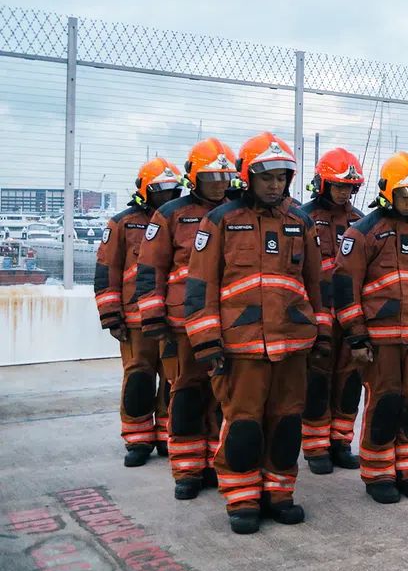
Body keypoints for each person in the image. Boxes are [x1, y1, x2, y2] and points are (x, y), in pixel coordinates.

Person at [185, 133, 329, 534]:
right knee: (244, 422)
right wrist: (206, 341)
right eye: (266, 176)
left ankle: (279, 493)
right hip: (240, 346)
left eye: (282, 177)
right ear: (247, 177)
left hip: (293, 344)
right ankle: (242, 497)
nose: (274, 185)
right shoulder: (220, 221)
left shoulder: (300, 221)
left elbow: (318, 283)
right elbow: (200, 286)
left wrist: (325, 333)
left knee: (286, 423)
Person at [332, 152, 408, 504]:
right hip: (379, 341)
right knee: (385, 403)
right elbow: (345, 287)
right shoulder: (362, 232)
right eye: (406, 194)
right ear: (388, 192)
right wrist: (356, 335)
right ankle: (378, 473)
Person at [136, 138, 237, 499]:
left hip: (227, 325)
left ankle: (213, 463)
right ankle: (186, 470)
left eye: (224, 176)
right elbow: (149, 270)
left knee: (224, 398)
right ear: (194, 176)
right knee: (186, 394)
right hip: (182, 325)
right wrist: (153, 318)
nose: (218, 183)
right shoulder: (170, 214)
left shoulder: (237, 213)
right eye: (210, 176)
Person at [95, 157, 183, 467]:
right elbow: (108, 269)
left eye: (172, 190)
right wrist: (111, 315)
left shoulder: (181, 220)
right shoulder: (122, 223)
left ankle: (167, 435)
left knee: (173, 379)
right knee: (139, 379)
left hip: (172, 317)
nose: (166, 196)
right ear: (143, 190)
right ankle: (138, 439)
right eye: (159, 190)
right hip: (134, 321)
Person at [298, 148, 366, 474]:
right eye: (338, 185)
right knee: (317, 380)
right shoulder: (302, 217)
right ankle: (315, 448)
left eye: (349, 187)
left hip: (351, 314)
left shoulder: (360, 221)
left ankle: (341, 442)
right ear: (321, 183)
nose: (344, 192)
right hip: (317, 314)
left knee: (349, 379)